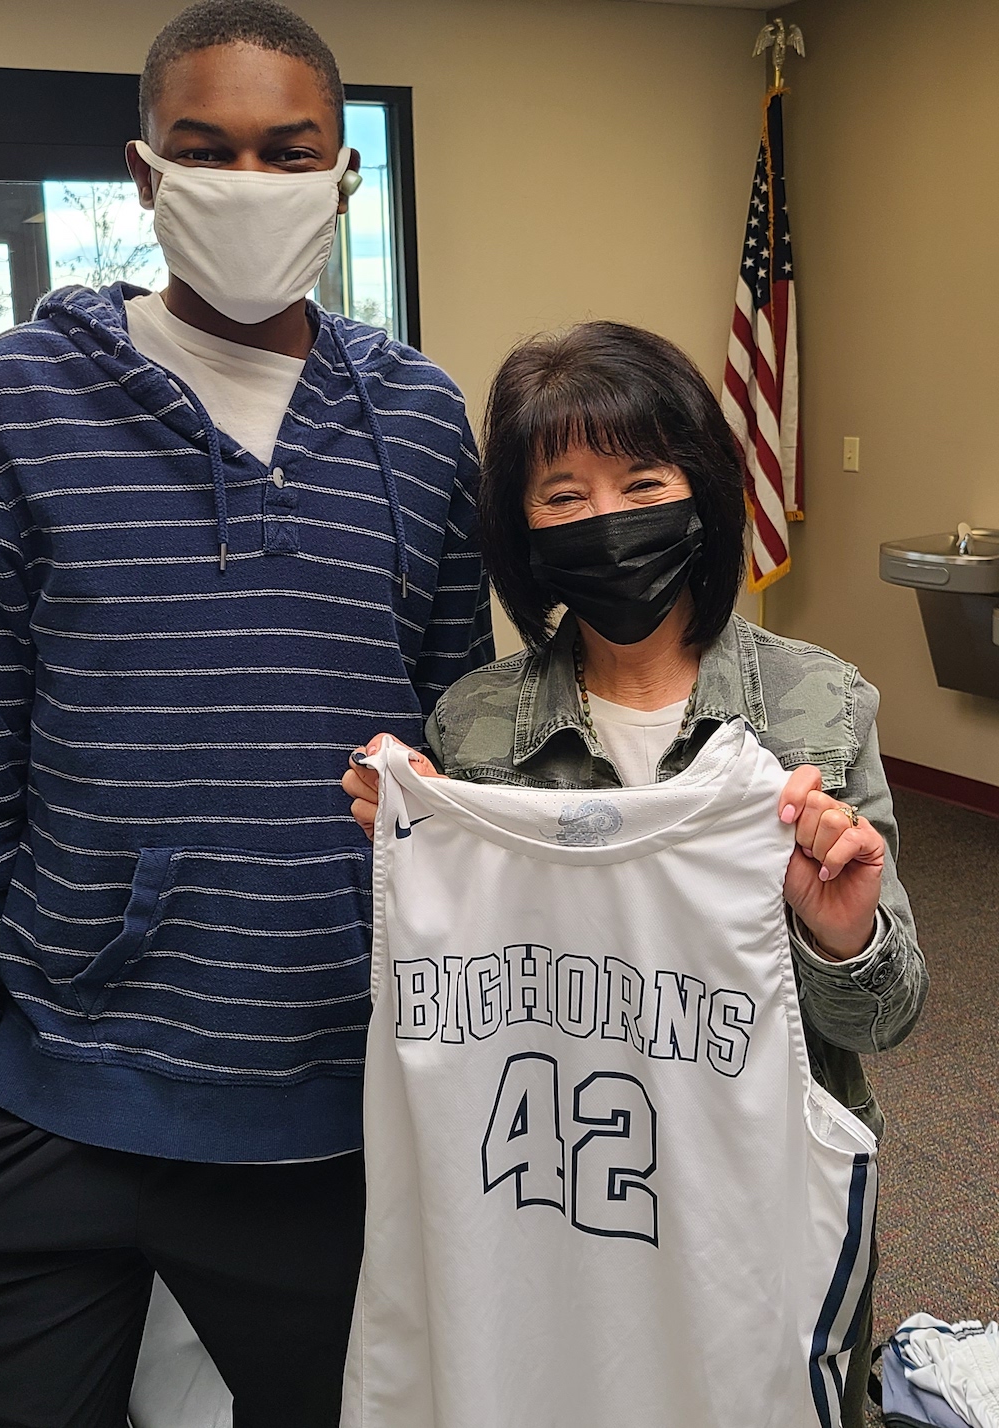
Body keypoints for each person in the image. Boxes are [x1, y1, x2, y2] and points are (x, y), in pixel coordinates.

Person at [0, 4, 492, 1425]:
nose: (247, 184)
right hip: (48, 1093)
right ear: (145, 175)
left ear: (344, 178)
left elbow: (464, 750)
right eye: (206, 152)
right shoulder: (10, 404)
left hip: (333, 1102)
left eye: (290, 152)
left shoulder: (416, 418)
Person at [342, 319, 926, 1428]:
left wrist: (842, 934)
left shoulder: (815, 710)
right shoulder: (472, 730)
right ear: (519, 527)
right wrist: (415, 850)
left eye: (641, 480)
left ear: (700, 490)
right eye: (562, 495)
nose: (606, 521)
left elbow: (887, 1019)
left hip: (741, 1221)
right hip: (543, 1212)